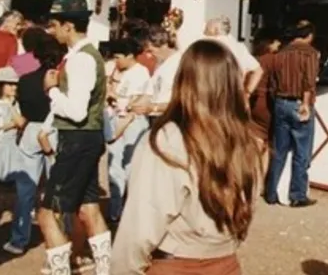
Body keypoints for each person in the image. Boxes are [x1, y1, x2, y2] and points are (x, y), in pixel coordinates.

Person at [111, 40, 262, 274]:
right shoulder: (247, 142)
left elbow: (139, 230)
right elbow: (246, 210)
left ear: (184, 81)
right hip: (226, 263)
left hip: (176, 263)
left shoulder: (169, 140)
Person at [37, 0, 112, 275]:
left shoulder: (80, 59)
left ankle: (59, 272)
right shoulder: (85, 55)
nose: (51, 30)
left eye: (54, 25)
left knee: (47, 213)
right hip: (88, 138)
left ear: (68, 26)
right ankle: (106, 270)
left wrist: (51, 90)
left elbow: (77, 112)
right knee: (88, 208)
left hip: (77, 139)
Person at [2, 30, 63, 255]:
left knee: (25, 188)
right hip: (52, 128)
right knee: (56, 187)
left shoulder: (24, 76)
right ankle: (59, 236)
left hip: (29, 130)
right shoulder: (56, 75)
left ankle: (19, 239)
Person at [265, 22, 320, 207]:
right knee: (301, 152)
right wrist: (305, 103)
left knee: (279, 151)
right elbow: (309, 82)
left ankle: (271, 193)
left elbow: (272, 83)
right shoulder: (310, 53)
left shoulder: (279, 54)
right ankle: (297, 195)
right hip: (299, 104)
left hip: (280, 103)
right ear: (309, 35)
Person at [105, 38, 153, 225]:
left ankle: (131, 210)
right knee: (114, 166)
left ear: (129, 56)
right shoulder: (124, 72)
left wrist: (113, 94)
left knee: (131, 166)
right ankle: (115, 210)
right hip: (118, 118)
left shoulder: (140, 73)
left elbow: (132, 105)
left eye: (118, 57)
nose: (116, 61)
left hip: (132, 121)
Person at [0, 67, 24, 223]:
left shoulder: (14, 103)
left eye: (15, 84)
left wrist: (10, 107)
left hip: (11, 146)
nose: (13, 87)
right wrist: (9, 123)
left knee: (16, 181)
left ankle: (19, 211)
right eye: (9, 84)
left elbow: (20, 121)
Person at [203, 16, 264, 98]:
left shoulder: (210, 46)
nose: (204, 32)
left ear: (215, 30)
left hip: (213, 96)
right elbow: (258, 71)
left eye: (206, 29)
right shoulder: (239, 47)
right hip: (234, 97)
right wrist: (247, 94)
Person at [130, 26, 181, 121]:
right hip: (155, 117)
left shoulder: (180, 63)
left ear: (164, 45)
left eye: (151, 51)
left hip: (170, 118)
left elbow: (181, 102)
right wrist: (132, 105)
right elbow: (150, 93)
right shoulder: (161, 64)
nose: (149, 56)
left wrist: (154, 107)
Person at [250, 30, 281, 168]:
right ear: (270, 43)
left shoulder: (254, 58)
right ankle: (261, 180)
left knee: (255, 141)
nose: (279, 44)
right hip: (267, 103)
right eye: (276, 41)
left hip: (254, 102)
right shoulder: (273, 59)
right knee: (265, 144)